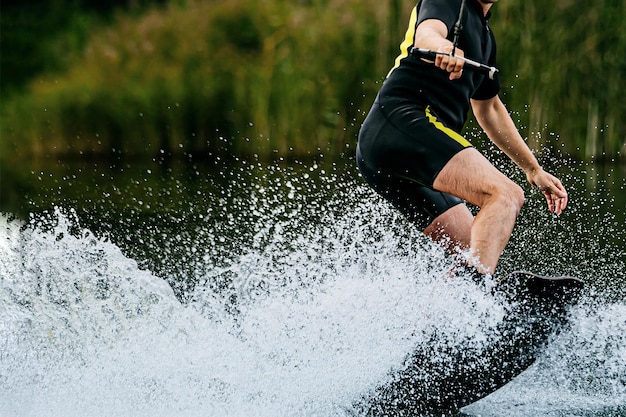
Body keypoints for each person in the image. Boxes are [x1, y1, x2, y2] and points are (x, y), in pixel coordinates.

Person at [356, 0, 568, 281]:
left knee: (477, 248)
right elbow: (427, 32)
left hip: (391, 155)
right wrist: (443, 48)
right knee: (505, 195)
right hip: (401, 123)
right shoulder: (449, 2)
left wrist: (533, 169)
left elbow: (489, 109)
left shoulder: (485, 38)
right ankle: (476, 301)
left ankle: (446, 319)